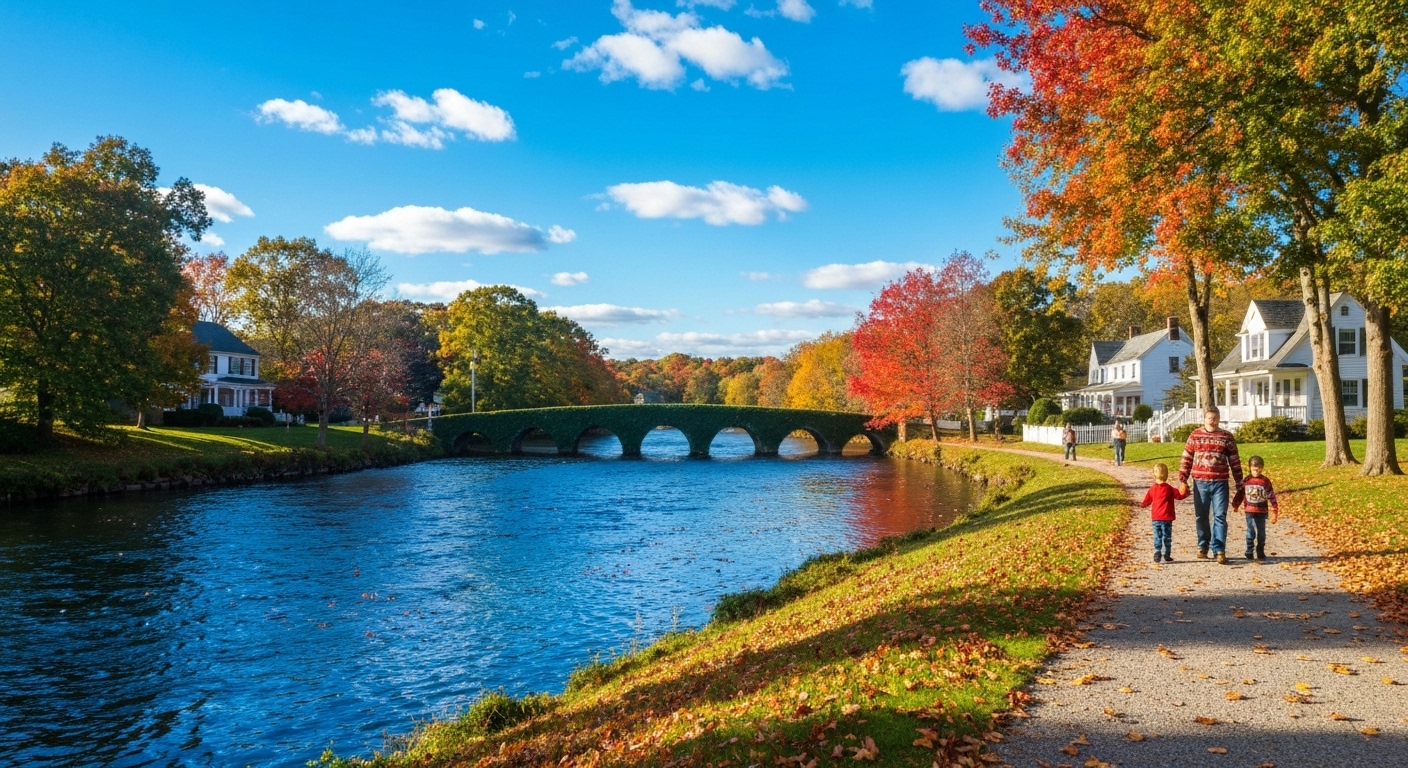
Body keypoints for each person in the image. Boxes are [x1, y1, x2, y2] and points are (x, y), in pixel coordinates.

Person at [1177, 407, 1244, 564]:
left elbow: (1234, 460)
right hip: (1200, 482)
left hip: (1220, 483)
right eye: (1209, 418)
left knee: (1220, 516)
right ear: (1204, 419)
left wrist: (1240, 482)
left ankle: (1219, 549)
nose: (1212, 421)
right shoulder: (1195, 435)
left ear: (1219, 419)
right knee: (1201, 516)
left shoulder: (1226, 437)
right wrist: (1183, 479)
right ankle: (1203, 546)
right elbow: (1186, 457)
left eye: (1215, 418)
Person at [1233, 455, 1279, 560]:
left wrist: (1275, 510)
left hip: (1262, 511)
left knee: (1261, 532)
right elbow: (1240, 493)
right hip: (1249, 510)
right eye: (1254, 469)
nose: (1256, 471)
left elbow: (1271, 495)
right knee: (1250, 531)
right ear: (1250, 467)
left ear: (1262, 468)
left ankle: (1260, 550)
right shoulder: (1247, 480)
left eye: (1258, 468)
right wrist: (1235, 505)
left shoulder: (1265, 481)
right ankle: (1249, 550)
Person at [1141, 462, 1189, 562]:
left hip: (1156, 518)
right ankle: (1167, 553)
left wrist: (1142, 505)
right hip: (1167, 518)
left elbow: (1147, 500)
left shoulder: (1152, 489)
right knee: (1167, 537)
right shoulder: (1170, 489)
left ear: (1154, 474)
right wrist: (1186, 492)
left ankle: (1158, 551)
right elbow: (1179, 496)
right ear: (1166, 475)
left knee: (1157, 536)